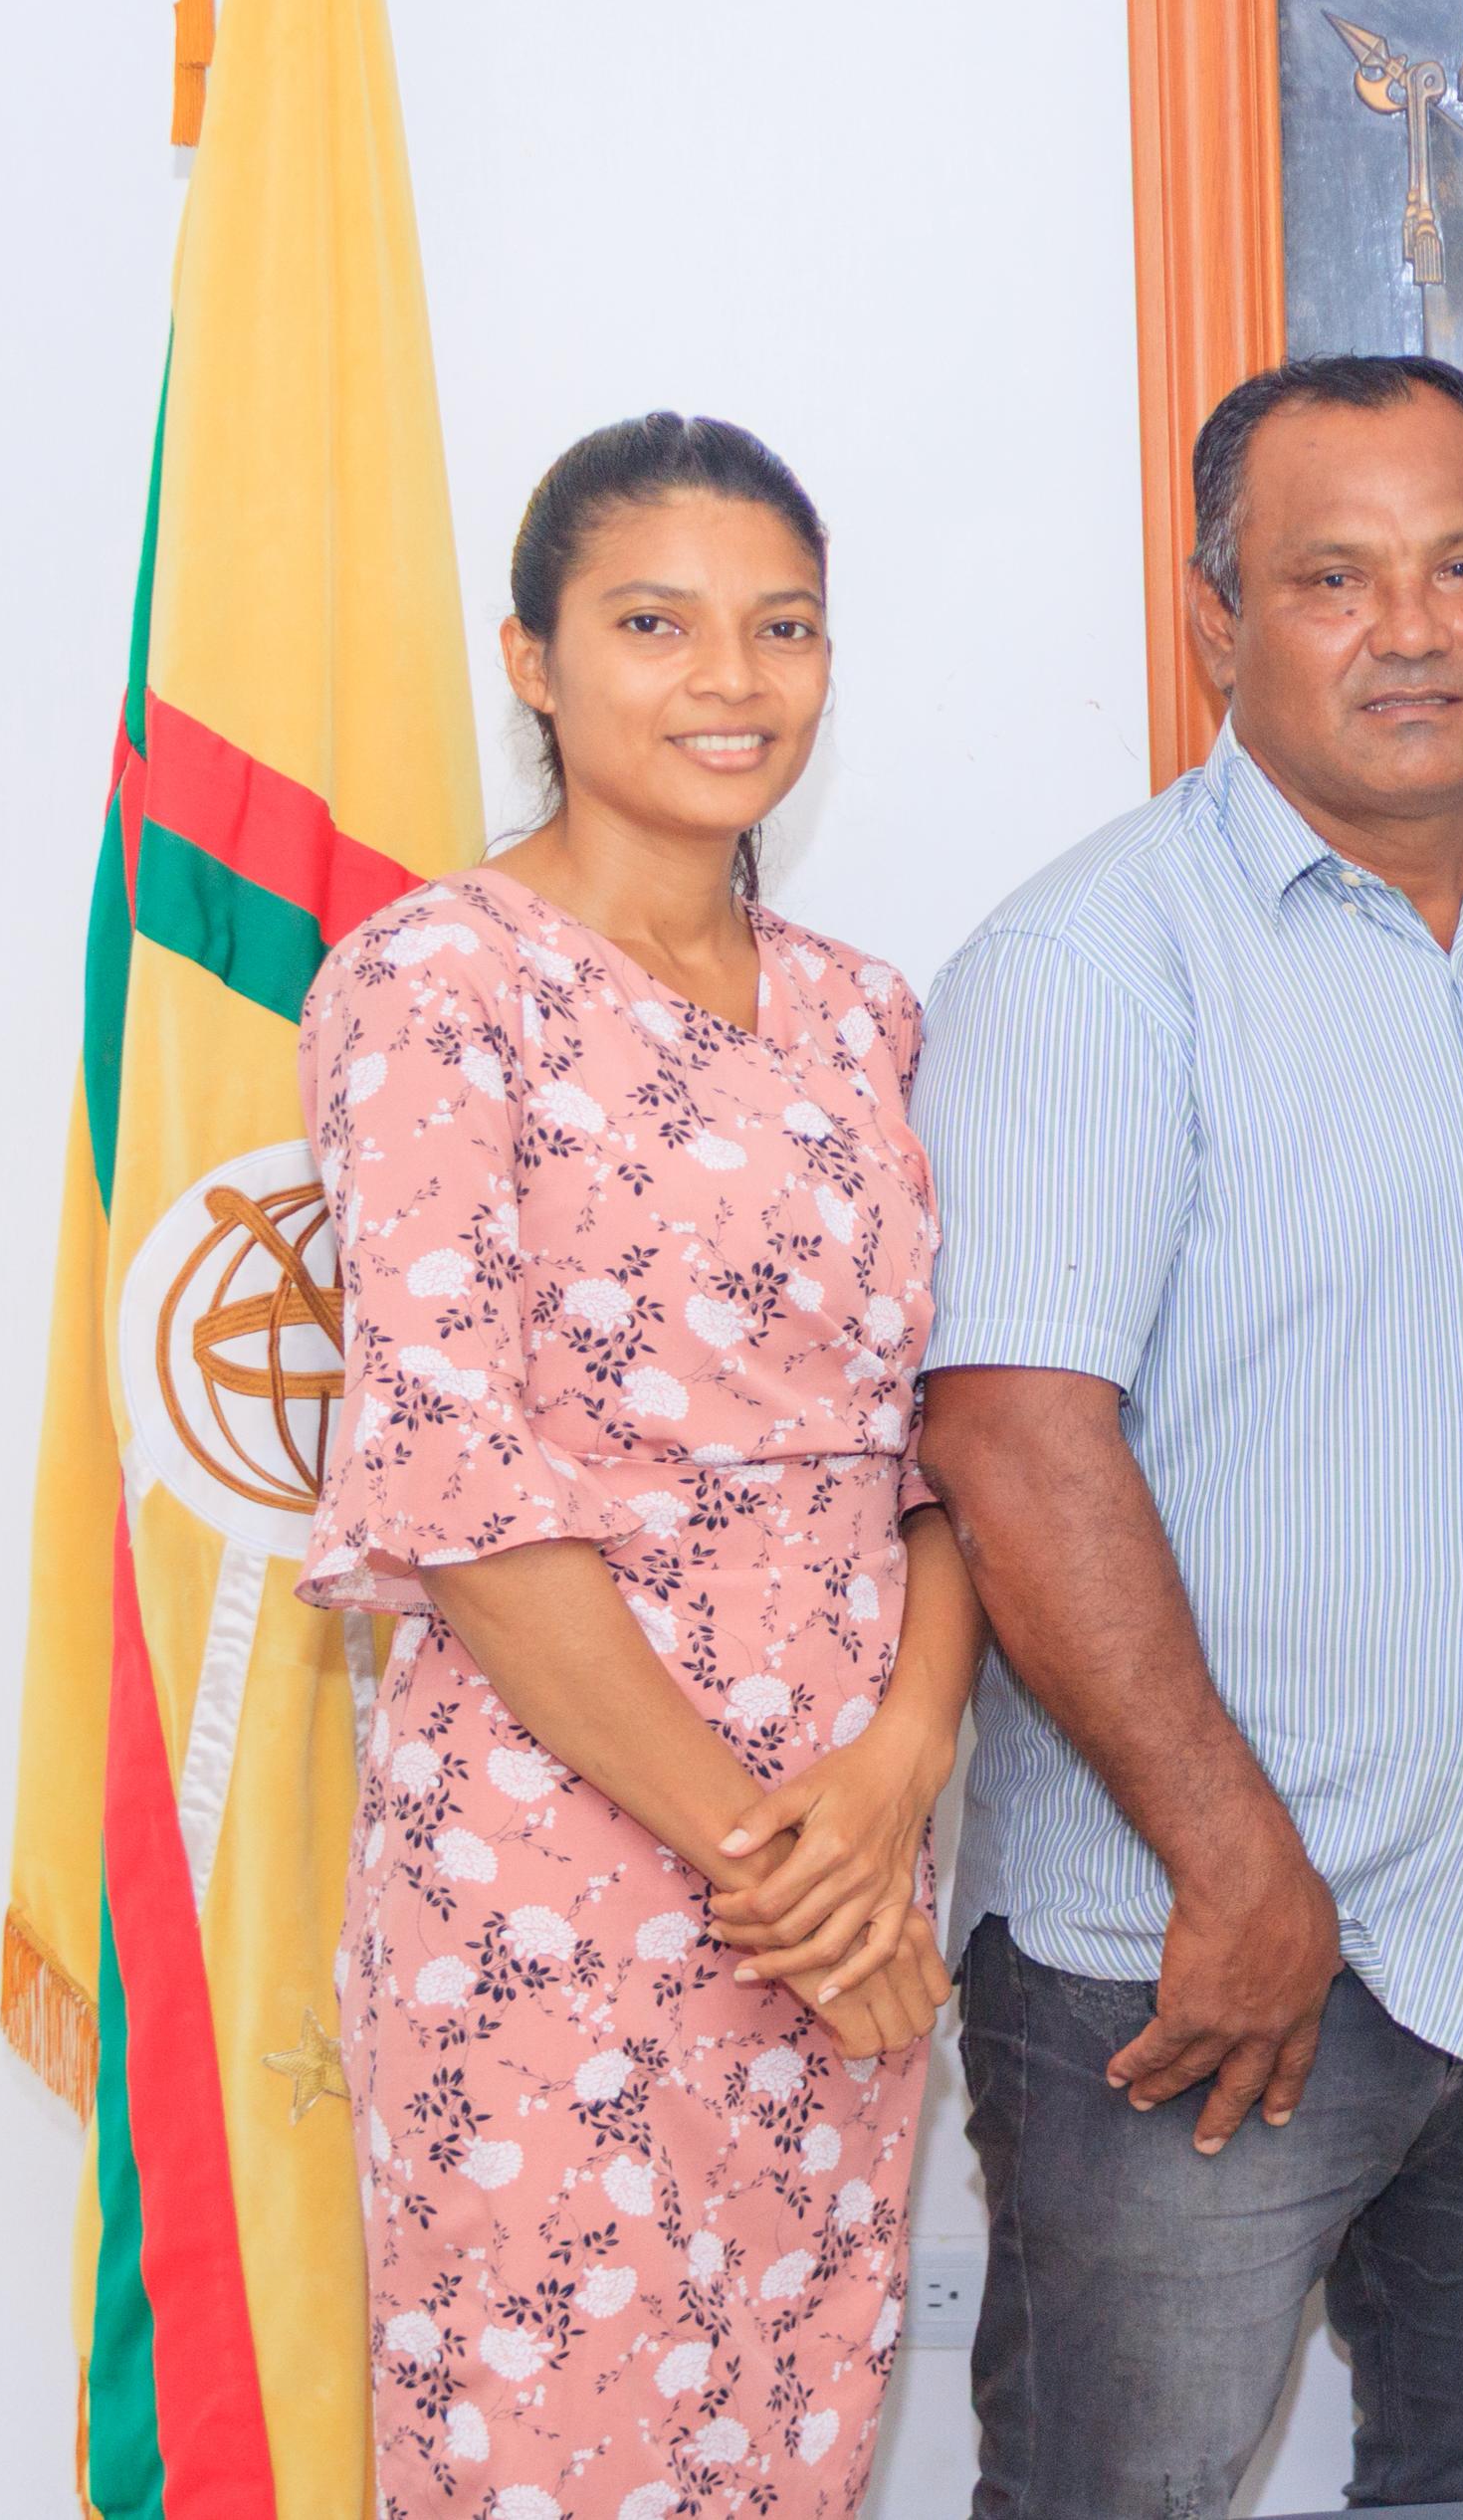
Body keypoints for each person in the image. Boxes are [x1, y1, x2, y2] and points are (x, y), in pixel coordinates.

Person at [910, 353, 1463, 2516]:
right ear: (1217, 618)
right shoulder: (1090, 963)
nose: (1412, 630)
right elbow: (1015, 1440)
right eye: (1332, 578)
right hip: (1195, 1963)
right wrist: (1235, 1859)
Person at [305, 413, 976, 2518]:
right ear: (531, 658)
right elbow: (456, 1492)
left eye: (784, 625)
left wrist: (893, 1782)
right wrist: (769, 1865)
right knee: (558, 2458)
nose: (731, 679)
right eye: (655, 624)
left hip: (848, 1856)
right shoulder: (436, 986)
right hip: (561, 1872)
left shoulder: (864, 1016)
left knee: (792, 2443)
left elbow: (940, 1452)